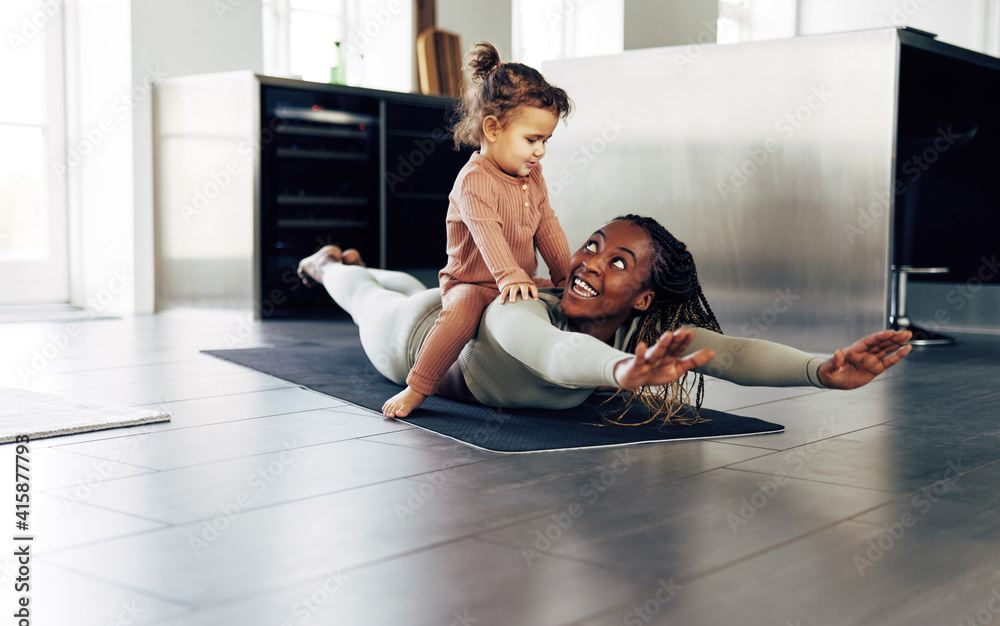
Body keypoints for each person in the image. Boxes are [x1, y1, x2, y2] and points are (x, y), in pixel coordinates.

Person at [295, 215, 912, 422]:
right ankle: (326, 263)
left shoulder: (642, 336)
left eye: (620, 262)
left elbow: (731, 351)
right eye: (592, 244)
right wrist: (619, 370)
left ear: (642, 299)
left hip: (451, 306)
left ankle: (357, 262)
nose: (591, 261)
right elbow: (556, 357)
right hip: (415, 338)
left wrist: (820, 371)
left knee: (395, 282)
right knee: (366, 297)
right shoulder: (523, 310)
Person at [384, 42, 574, 418]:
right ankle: (417, 386)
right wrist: (508, 276)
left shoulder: (532, 175)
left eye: (546, 141)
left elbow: (547, 225)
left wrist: (564, 274)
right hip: (472, 281)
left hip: (517, 278)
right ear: (492, 128)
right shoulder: (473, 181)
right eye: (531, 140)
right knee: (460, 312)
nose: (541, 152)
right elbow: (487, 233)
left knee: (573, 297)